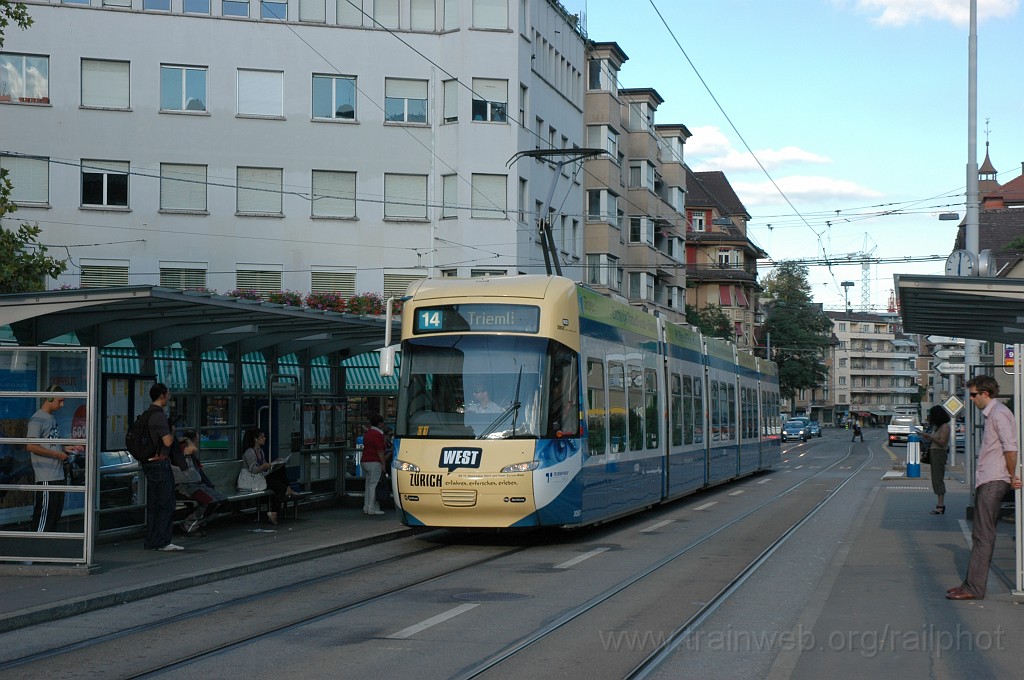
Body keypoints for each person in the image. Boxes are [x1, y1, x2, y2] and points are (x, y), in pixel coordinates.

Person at [947, 375, 1022, 600]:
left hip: (994, 480)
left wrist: (1012, 475)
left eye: (973, 395)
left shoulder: (999, 415)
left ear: (985, 394)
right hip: (989, 479)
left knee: (983, 535)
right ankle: (970, 583)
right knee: (981, 533)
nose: (971, 399)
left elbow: (1010, 447)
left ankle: (975, 588)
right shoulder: (993, 415)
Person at [25, 385, 82, 532]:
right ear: (50, 398)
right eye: (60, 401)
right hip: (46, 476)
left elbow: (50, 443)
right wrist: (57, 454)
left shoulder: (51, 418)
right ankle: (37, 548)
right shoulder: (37, 419)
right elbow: (31, 446)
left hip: (57, 474)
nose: (62, 405)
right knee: (44, 517)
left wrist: (65, 448)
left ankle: (46, 547)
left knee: (53, 517)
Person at [142, 383, 184, 552]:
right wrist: (172, 431)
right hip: (160, 463)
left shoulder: (147, 413)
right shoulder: (159, 416)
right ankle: (163, 541)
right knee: (166, 503)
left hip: (149, 462)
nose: (169, 396)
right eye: (168, 394)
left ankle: (152, 539)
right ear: (162, 395)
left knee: (153, 504)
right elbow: (167, 441)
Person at [173, 429, 227, 535]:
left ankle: (199, 523)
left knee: (222, 500)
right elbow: (193, 449)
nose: (197, 444)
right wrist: (187, 440)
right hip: (185, 486)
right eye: (196, 440)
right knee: (209, 501)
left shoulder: (191, 456)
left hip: (197, 484)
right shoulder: (181, 449)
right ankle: (188, 526)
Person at [241, 428, 294, 525]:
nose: (264, 439)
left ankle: (286, 490)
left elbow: (264, 469)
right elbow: (254, 470)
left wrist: (274, 465)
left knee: (281, 470)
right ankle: (286, 492)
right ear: (255, 439)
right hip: (253, 481)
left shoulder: (260, 451)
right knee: (281, 488)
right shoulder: (249, 452)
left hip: (261, 478)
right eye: (262, 437)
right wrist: (264, 466)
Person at [919, 405, 951, 515]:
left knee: (938, 479)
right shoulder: (937, 427)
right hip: (934, 453)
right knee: (935, 479)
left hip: (939, 453)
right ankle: (939, 504)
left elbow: (942, 442)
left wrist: (929, 437)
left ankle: (940, 505)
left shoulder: (945, 427)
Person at [361, 414, 389, 515]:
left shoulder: (368, 433)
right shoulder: (378, 434)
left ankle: (366, 507)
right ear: (380, 423)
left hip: (364, 461)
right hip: (374, 461)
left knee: (368, 485)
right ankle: (372, 508)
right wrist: (383, 464)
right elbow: (380, 450)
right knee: (374, 485)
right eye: (382, 422)